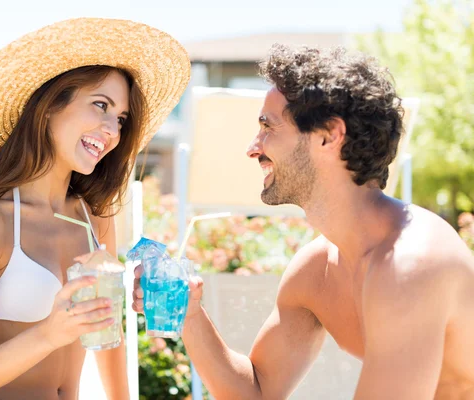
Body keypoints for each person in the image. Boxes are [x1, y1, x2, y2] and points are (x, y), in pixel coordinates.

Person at [133, 44, 474, 399]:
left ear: (329, 135)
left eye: (268, 126)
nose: (253, 147)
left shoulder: (411, 263)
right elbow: (257, 392)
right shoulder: (317, 270)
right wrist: (191, 315)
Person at [0, 17, 190, 400]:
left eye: (120, 118)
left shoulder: (94, 218)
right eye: (100, 106)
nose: (112, 130)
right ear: (50, 106)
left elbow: (109, 333)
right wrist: (49, 333)